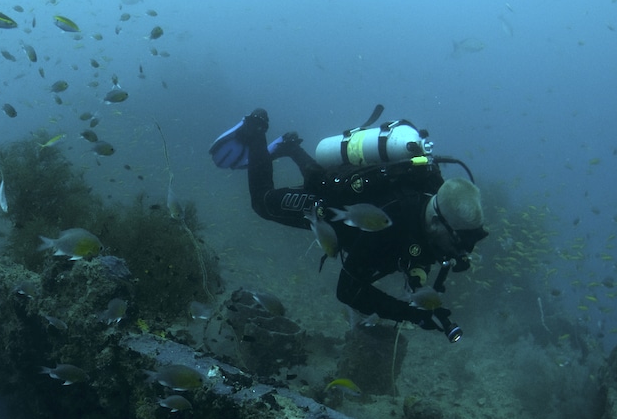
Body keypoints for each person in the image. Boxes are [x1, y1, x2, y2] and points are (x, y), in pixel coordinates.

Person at [209, 108, 488, 342]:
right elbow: (348, 289)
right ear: (439, 222)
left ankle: (291, 146)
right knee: (264, 203)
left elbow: (413, 257)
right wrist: (411, 314)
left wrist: (421, 292)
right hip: (330, 210)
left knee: (320, 176)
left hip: (348, 193)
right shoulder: (392, 222)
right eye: (458, 242)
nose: (459, 253)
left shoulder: (434, 219)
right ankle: (256, 129)